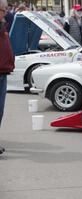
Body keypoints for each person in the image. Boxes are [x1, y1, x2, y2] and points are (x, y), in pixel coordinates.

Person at [0, 0, 15, 154]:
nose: (6, 12)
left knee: (0, 111)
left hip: (3, 73)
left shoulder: (3, 27)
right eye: (3, 10)